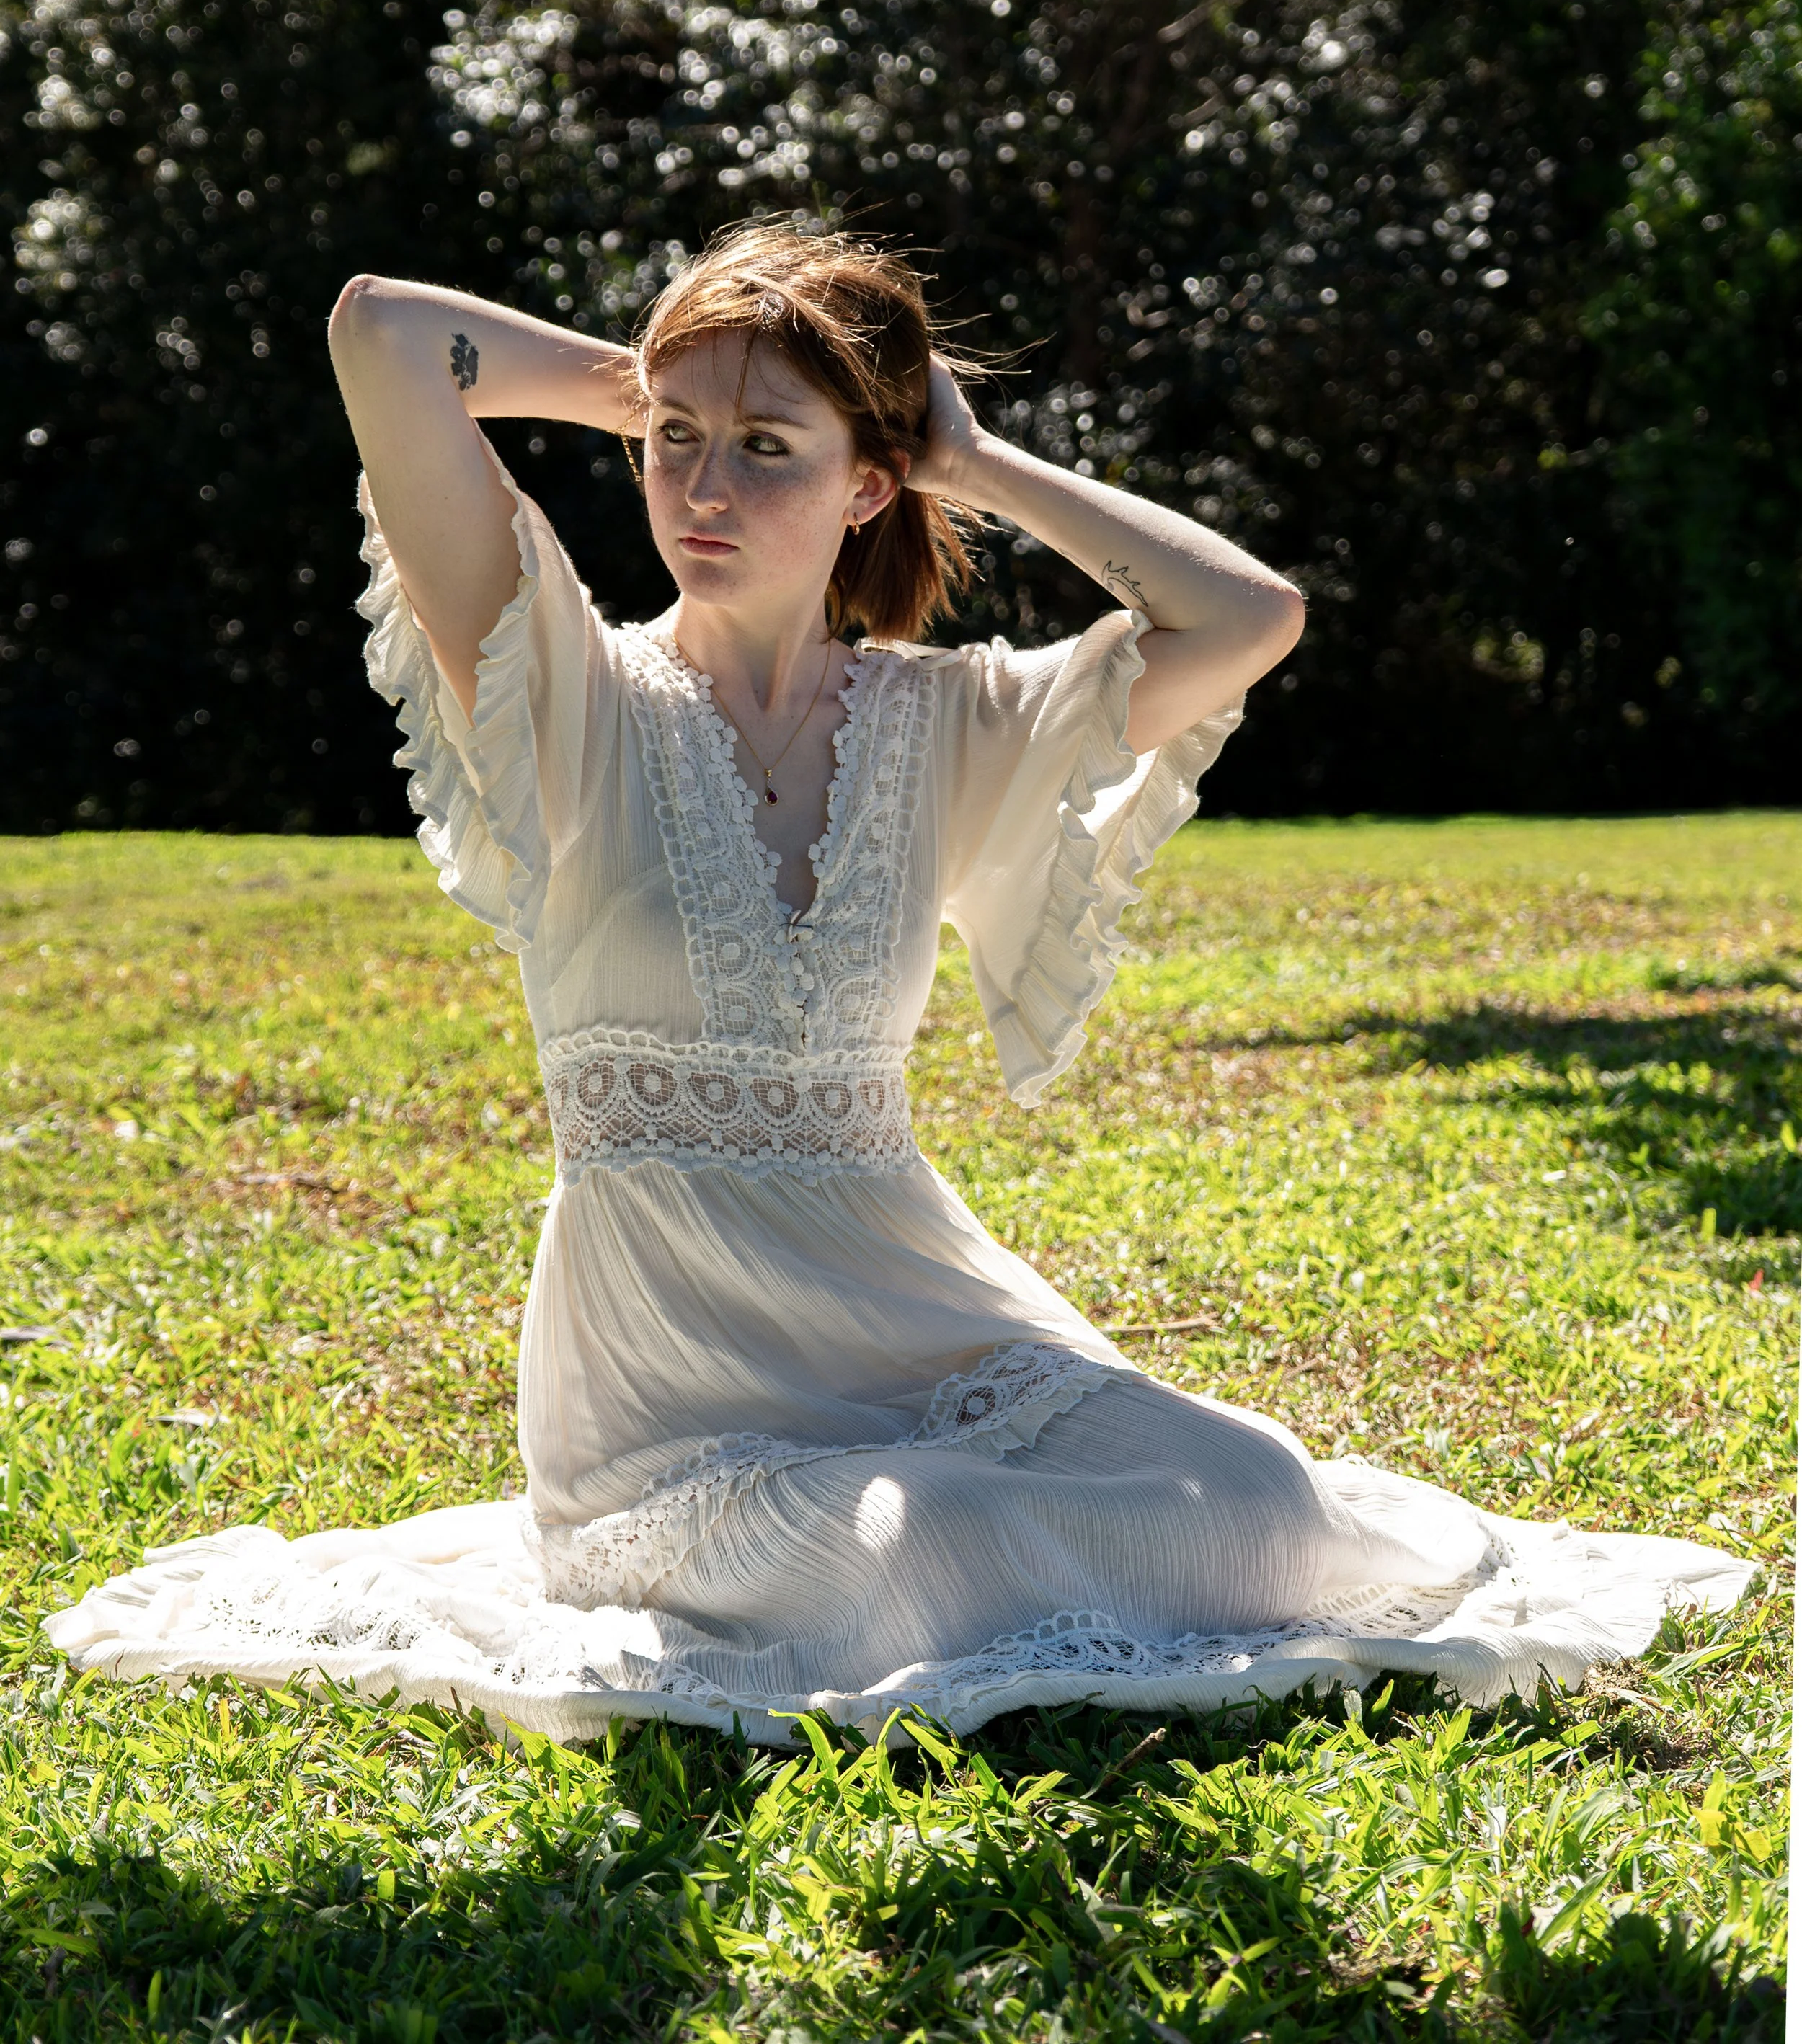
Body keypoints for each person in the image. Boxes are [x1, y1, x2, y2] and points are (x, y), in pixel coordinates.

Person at [48, 225, 1751, 1745]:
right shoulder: (556, 682)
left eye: (767, 450)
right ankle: (930, 1538)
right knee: (902, 1561)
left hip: (922, 1325)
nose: (701, 489)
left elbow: (1246, 613)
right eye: (675, 449)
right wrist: (681, 373)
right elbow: (380, 332)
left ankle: (1001, 1513)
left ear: (870, 482)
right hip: (672, 1406)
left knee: (1256, 1496)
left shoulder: (950, 722)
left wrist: (974, 456)